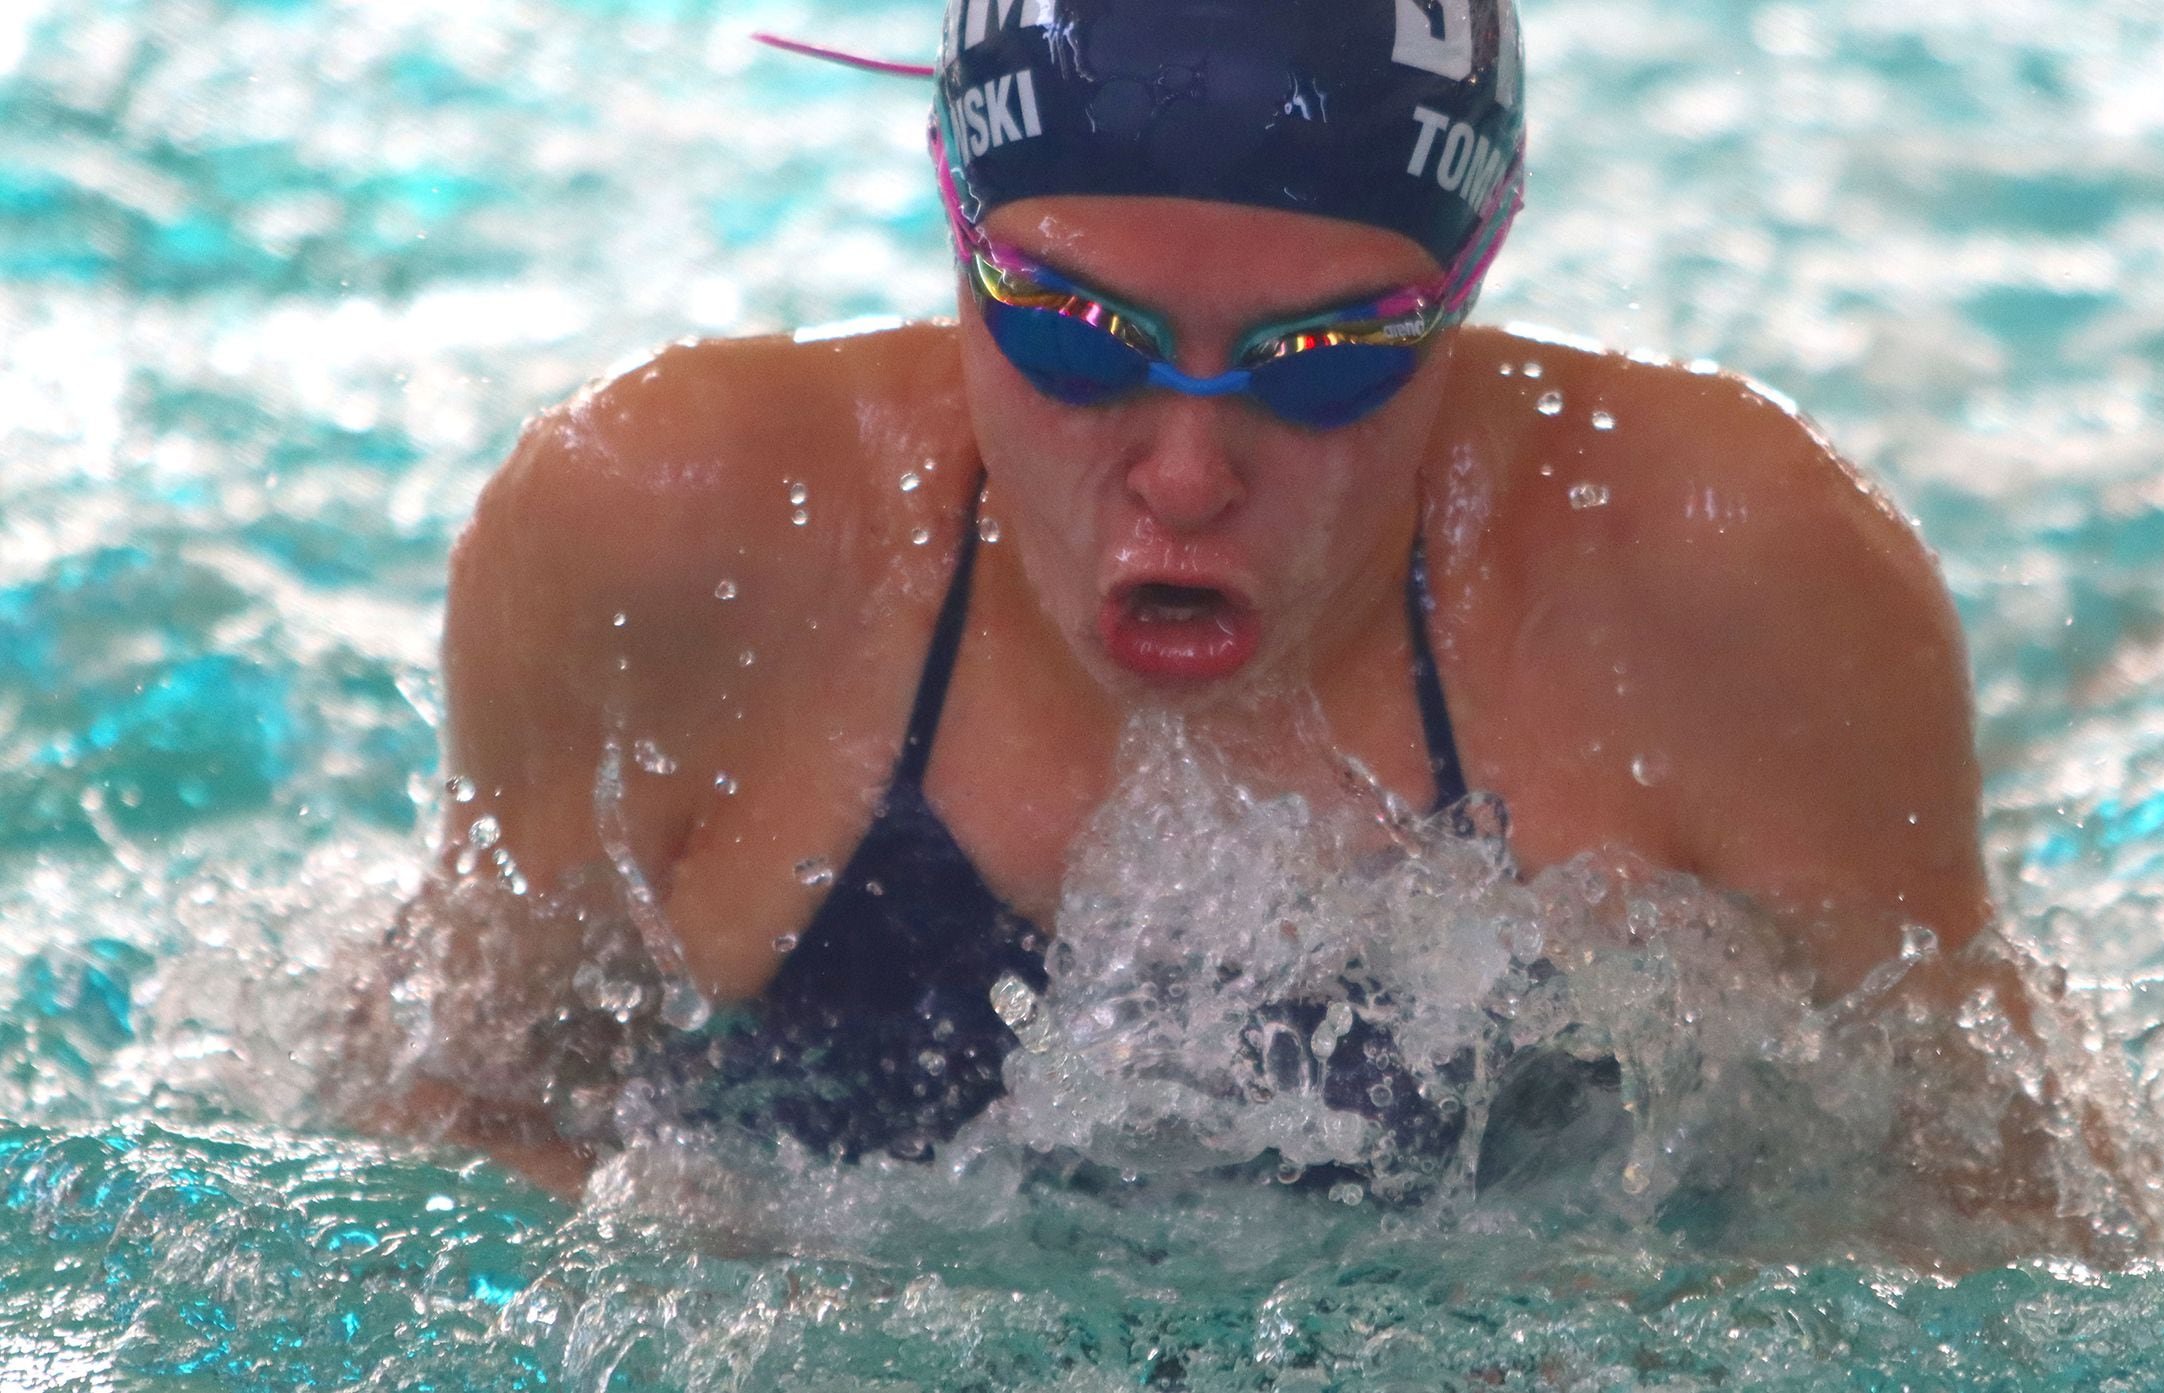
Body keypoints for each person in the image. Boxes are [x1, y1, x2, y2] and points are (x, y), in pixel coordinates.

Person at [357, 0, 1989, 1198]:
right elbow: (445, 1143)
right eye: (1074, 326)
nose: (1191, 470)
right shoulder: (672, 533)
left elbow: (2002, 1217)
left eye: (1332, 359)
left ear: (1471, 294)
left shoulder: (1730, 581)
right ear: (955, 229)